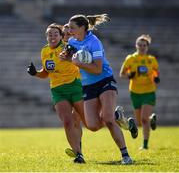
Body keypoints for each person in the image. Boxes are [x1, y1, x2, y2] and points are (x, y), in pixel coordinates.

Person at [65, 14, 134, 164]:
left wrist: (77, 63)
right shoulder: (71, 41)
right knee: (93, 126)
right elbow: (71, 56)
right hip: (88, 85)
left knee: (107, 120)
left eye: (72, 27)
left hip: (104, 81)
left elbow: (97, 69)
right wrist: (66, 57)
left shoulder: (94, 42)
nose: (69, 30)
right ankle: (117, 115)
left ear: (82, 28)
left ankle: (126, 156)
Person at [27, 23, 86, 163]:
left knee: (87, 121)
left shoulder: (67, 47)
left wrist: (72, 53)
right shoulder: (44, 51)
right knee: (67, 121)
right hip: (58, 90)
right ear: (46, 36)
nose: (52, 36)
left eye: (55, 34)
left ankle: (115, 118)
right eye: (50, 34)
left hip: (75, 86)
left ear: (61, 36)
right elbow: (46, 73)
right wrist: (35, 73)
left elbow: (81, 58)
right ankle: (79, 154)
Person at [119, 34, 160, 149]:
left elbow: (156, 73)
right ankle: (151, 119)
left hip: (149, 91)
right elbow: (121, 74)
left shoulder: (151, 60)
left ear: (147, 47)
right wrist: (129, 75)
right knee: (140, 122)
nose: (142, 47)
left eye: (144, 45)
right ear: (136, 45)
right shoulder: (130, 59)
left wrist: (156, 78)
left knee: (143, 118)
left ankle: (145, 144)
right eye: (140, 45)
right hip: (135, 92)